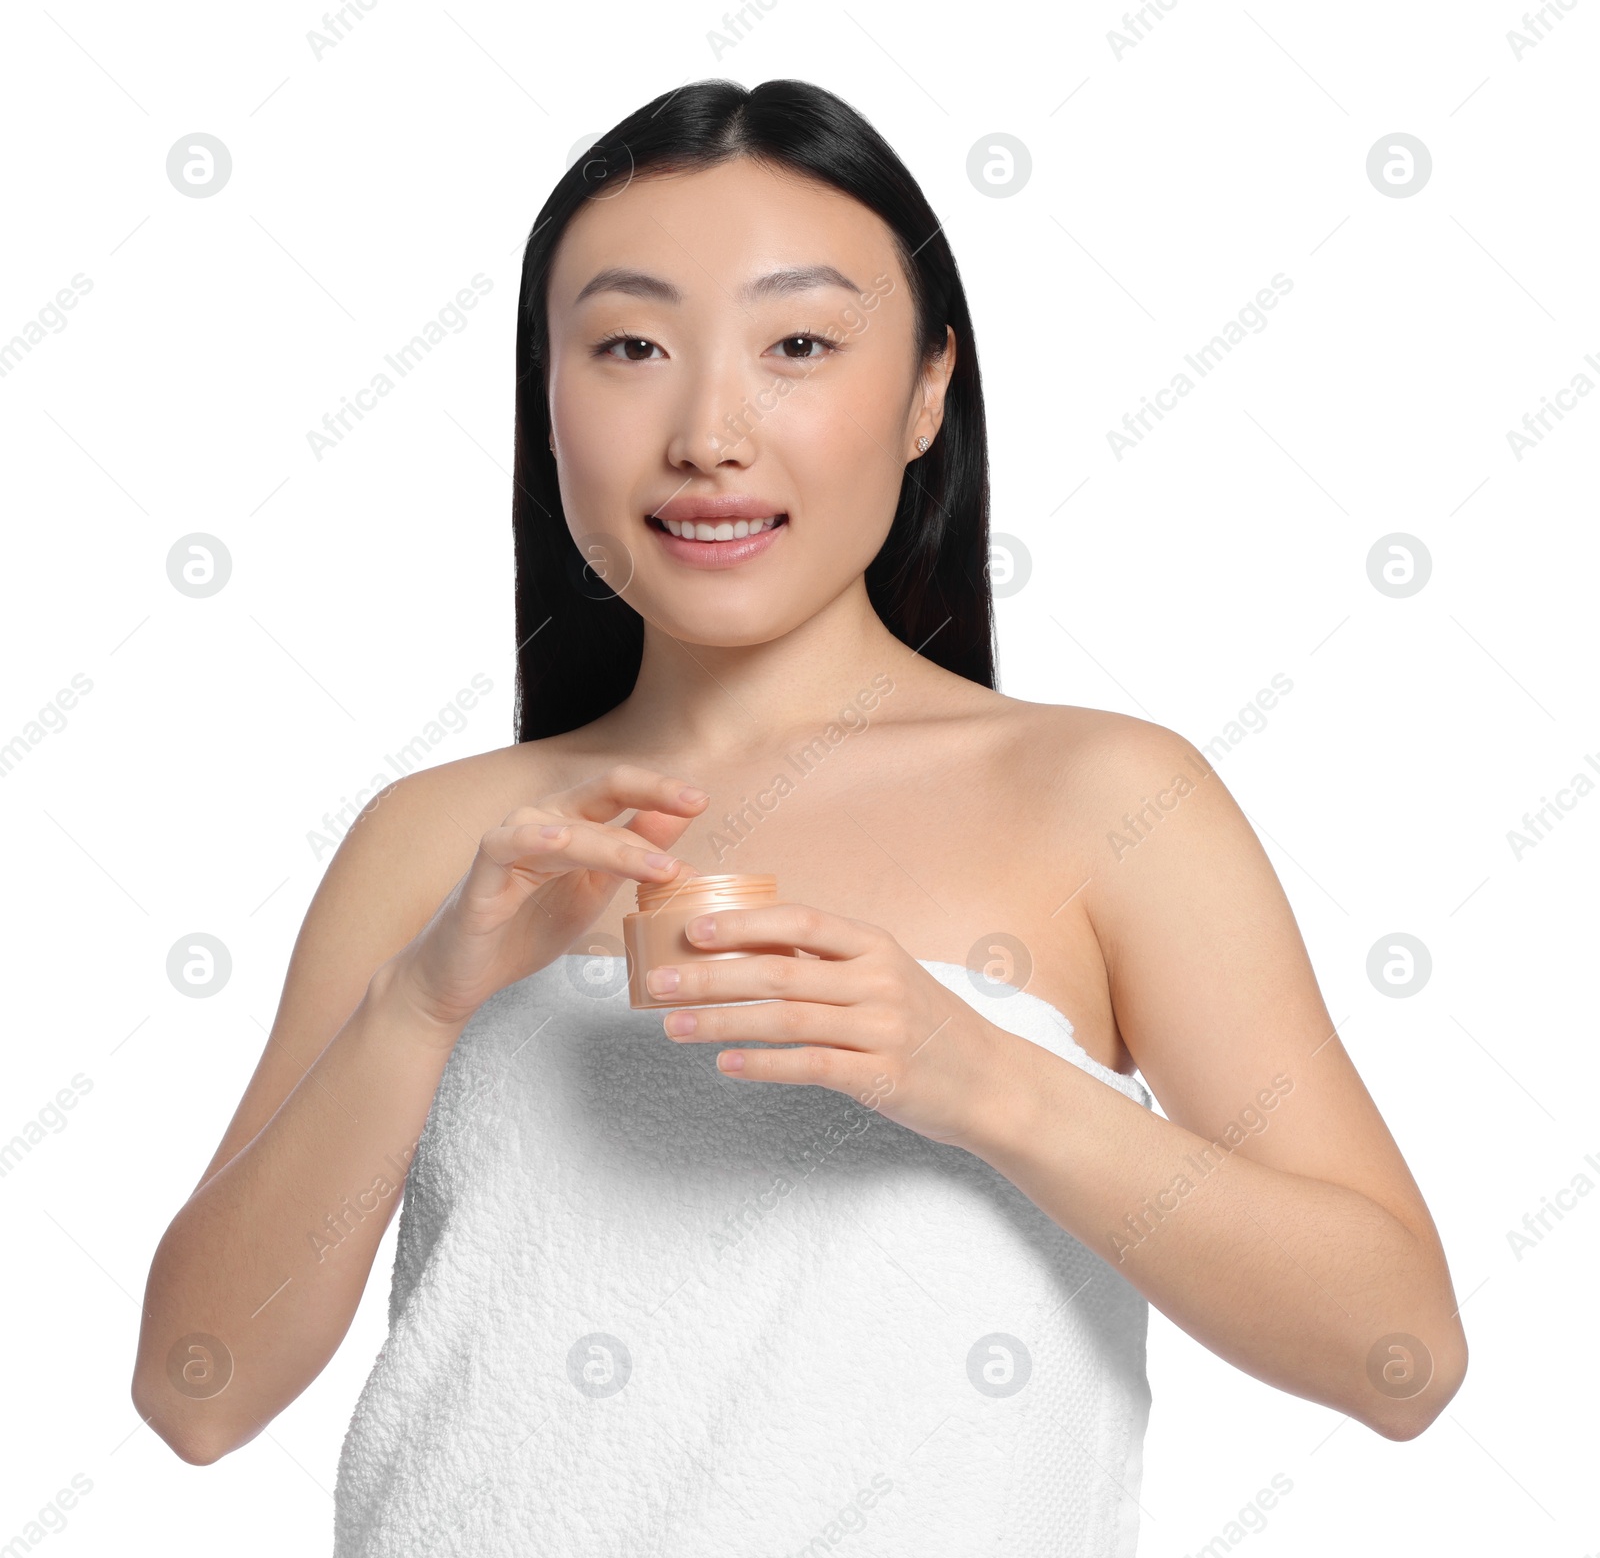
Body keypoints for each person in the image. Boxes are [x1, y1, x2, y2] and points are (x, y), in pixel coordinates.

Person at [132, 78, 1468, 1555]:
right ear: (545, 395)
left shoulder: (1106, 803)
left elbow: (1398, 1354)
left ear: (925, 393)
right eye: (631, 345)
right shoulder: (437, 842)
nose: (709, 430)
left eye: (800, 346)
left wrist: (980, 1079)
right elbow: (200, 1396)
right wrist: (421, 1002)